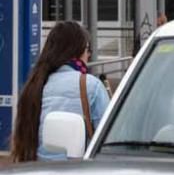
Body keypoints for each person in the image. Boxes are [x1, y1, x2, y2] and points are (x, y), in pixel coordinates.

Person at [11, 21, 109, 162]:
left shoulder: (34, 85)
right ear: (77, 50)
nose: (88, 55)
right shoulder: (91, 86)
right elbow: (108, 139)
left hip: (35, 173)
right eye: (87, 49)